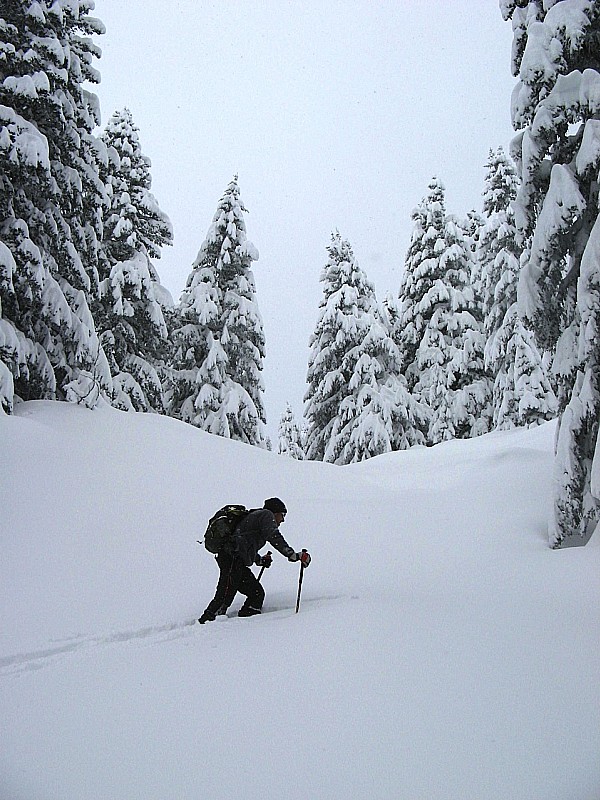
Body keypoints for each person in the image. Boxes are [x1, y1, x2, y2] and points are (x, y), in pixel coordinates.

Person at [198, 497, 311, 623]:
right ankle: (205, 624)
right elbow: (273, 535)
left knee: (256, 593)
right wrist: (292, 554)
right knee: (224, 596)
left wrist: (260, 560)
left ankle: (245, 624)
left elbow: (245, 545)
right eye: (282, 515)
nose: (283, 520)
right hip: (232, 558)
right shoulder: (266, 514)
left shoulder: (256, 518)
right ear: (275, 512)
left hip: (235, 560)